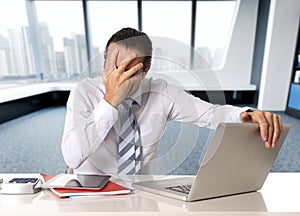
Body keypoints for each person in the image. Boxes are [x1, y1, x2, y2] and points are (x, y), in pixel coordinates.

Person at [61, 27, 283, 175]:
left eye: (130, 70)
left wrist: (246, 113)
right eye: (114, 66)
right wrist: (110, 102)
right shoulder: (83, 92)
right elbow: (72, 157)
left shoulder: (161, 92)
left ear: (145, 71)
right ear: (104, 63)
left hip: (139, 194)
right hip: (88, 192)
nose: (120, 76)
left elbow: (210, 114)